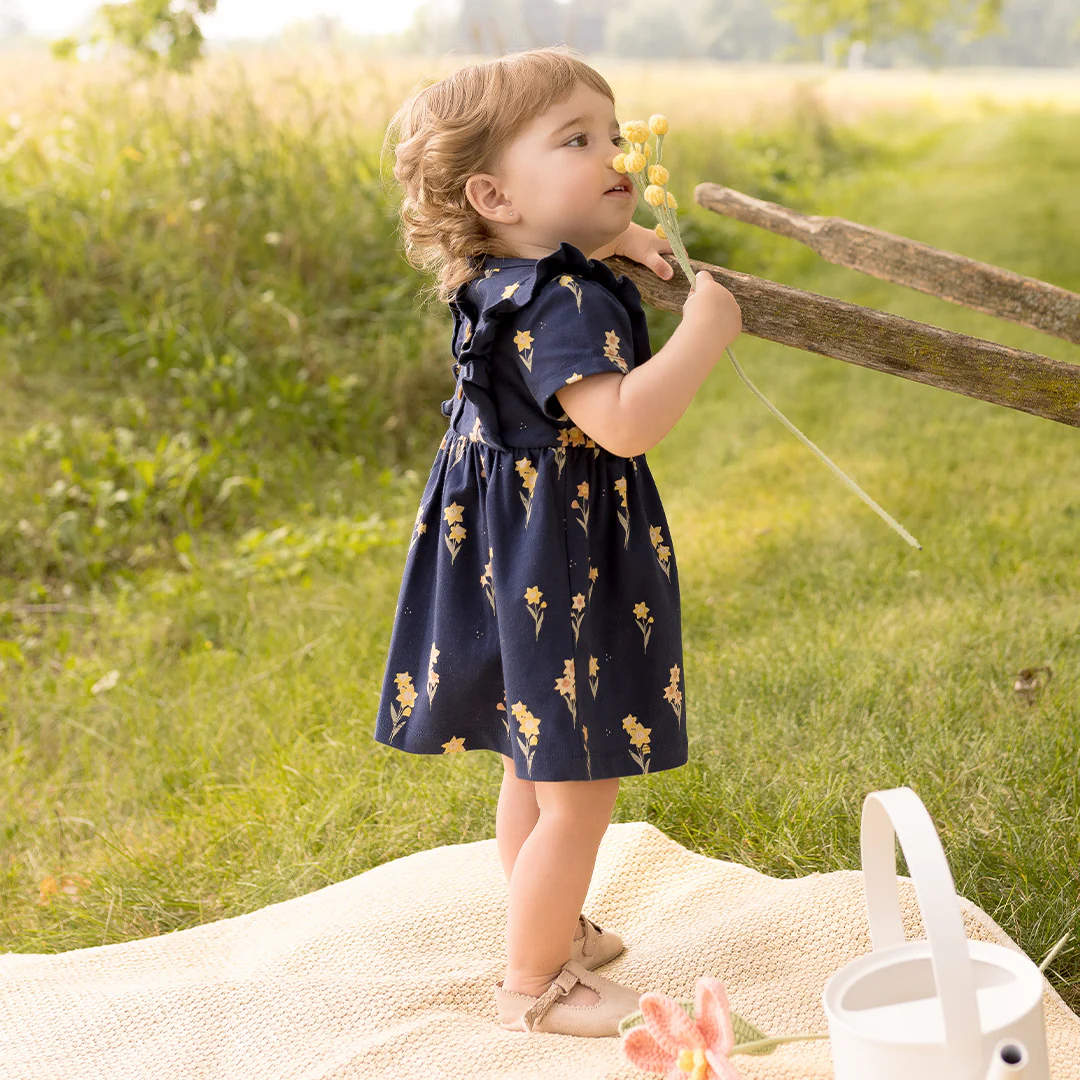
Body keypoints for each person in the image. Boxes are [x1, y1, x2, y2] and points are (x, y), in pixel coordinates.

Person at [375, 45, 743, 1037]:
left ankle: (556, 931)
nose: (614, 153)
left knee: (533, 766)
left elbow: (549, 301)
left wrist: (610, 250)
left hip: (507, 547)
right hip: (563, 564)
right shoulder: (566, 299)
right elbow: (620, 421)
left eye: (612, 133)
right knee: (578, 789)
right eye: (576, 140)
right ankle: (535, 985)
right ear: (496, 192)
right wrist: (705, 332)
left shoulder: (506, 275)